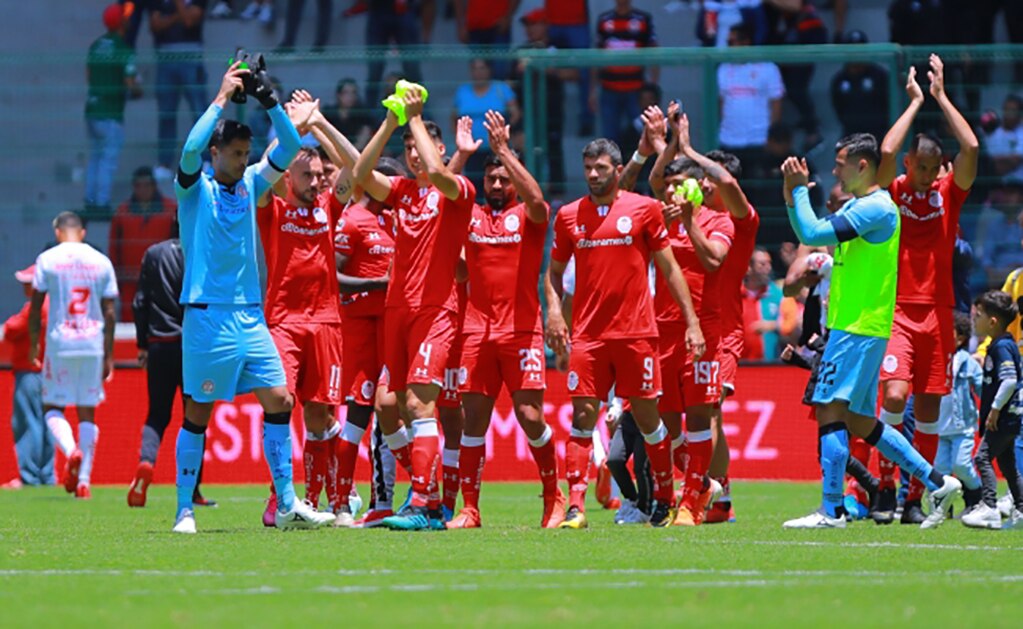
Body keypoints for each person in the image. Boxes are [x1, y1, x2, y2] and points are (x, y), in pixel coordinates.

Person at [169, 62, 335, 533]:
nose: (243, 160)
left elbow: (292, 144)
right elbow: (188, 148)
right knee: (197, 414)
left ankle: (286, 504)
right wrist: (221, 96)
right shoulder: (193, 190)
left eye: (246, 153)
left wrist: (269, 100)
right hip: (206, 317)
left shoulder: (252, 184)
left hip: (250, 317)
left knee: (281, 398)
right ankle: (184, 508)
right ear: (216, 152)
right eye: (236, 153)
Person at [779, 135, 962, 529]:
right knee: (862, 421)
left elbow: (811, 232)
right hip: (859, 327)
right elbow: (809, 230)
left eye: (840, 162)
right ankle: (937, 482)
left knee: (829, 408)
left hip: (857, 328)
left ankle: (832, 511)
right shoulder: (860, 207)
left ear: (862, 166)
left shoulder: (876, 209)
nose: (834, 170)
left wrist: (797, 191)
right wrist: (790, 195)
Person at [545, 137, 706, 529]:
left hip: (636, 334)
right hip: (588, 336)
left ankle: (665, 499)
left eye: (601, 168)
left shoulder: (645, 209)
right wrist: (553, 311)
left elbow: (669, 269)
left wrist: (693, 323)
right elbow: (553, 272)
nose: (593, 175)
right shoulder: (568, 215)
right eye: (588, 168)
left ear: (618, 171)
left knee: (652, 420)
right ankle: (576, 508)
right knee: (583, 415)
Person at [352, 86, 475, 531]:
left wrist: (417, 118)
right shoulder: (403, 192)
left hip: (434, 311)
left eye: (419, 146)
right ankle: (425, 484)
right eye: (407, 149)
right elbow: (360, 175)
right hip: (397, 310)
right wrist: (391, 121)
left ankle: (425, 504)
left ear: (438, 148)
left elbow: (442, 174)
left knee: (421, 405)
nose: (413, 155)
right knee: (389, 404)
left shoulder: (458, 190)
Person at [441, 110, 563, 529]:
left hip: (522, 330)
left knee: (530, 417)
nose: (496, 184)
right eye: (490, 179)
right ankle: (470, 509)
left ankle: (554, 498)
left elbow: (537, 201)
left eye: (502, 179)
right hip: (475, 330)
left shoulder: (527, 217)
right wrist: (461, 154)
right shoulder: (470, 214)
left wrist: (504, 152)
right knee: (473, 419)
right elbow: (440, 193)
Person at [874, 54, 979, 525]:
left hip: (938, 313)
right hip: (897, 310)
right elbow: (883, 152)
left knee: (931, 410)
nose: (927, 174)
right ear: (911, 163)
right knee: (895, 398)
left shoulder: (948, 195)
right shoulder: (893, 191)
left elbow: (972, 147)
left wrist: (941, 96)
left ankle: (915, 499)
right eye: (921, 166)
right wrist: (916, 102)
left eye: (935, 167)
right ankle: (885, 485)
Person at [256, 89, 365, 525]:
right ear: (288, 177)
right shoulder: (271, 204)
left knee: (321, 414)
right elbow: (263, 167)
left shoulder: (328, 207)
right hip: (284, 321)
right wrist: (291, 125)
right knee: (282, 403)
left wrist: (318, 122)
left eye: (321, 174)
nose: (318, 182)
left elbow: (356, 167)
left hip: (326, 322)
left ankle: (315, 501)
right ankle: (278, 499)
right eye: (309, 174)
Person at [647, 137, 734, 526]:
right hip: (659, 330)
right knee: (665, 419)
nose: (669, 190)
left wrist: (688, 222)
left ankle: (689, 503)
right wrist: (661, 143)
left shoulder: (718, 220)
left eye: (678, 183)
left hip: (703, 331)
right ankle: (696, 487)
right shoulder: (658, 222)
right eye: (667, 185)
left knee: (700, 417)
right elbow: (651, 181)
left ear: (697, 186)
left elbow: (714, 260)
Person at [333, 158, 403, 528]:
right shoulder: (353, 219)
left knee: (396, 411)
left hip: (391, 327)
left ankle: (410, 493)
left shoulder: (392, 220)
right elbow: (334, 274)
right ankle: (341, 501)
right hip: (361, 329)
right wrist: (379, 286)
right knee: (358, 416)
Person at [29, 212, 117, 500]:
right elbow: (110, 311)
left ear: (57, 232)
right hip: (92, 342)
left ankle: (70, 451)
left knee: (52, 406)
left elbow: (36, 305)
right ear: (82, 232)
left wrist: (34, 345)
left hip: (61, 341)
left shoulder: (48, 260)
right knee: (87, 411)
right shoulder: (101, 261)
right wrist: (109, 354)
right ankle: (84, 481)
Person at [127, 236, 215, 508]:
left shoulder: (153, 253)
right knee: (196, 417)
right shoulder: (203, 249)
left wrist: (142, 344)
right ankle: (193, 488)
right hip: (194, 346)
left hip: (160, 345)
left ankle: (146, 461)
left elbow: (140, 302)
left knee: (157, 415)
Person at [962, 291, 1023, 529]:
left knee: (983, 457)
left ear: (992, 321)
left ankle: (988, 507)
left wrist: (995, 409)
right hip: (1010, 419)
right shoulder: (1000, 345)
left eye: (978, 316)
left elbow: (1009, 381)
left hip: (1004, 418)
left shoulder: (1002, 348)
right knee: (1008, 466)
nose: (974, 320)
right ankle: (1020, 509)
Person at [85, 3, 141, 213]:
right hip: (110, 111)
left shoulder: (95, 45)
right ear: (121, 22)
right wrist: (137, 90)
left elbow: (89, 76)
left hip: (92, 108)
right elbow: (130, 82)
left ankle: (90, 200)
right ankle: (101, 203)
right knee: (108, 160)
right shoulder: (123, 49)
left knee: (95, 157)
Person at [2, 266, 53, 488]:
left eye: (27, 282)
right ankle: (46, 475)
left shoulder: (35, 306)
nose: (24, 286)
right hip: (49, 373)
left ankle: (30, 476)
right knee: (47, 424)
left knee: (28, 423)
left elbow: (12, 329)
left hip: (30, 371)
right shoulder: (53, 305)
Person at [717, 23, 784, 183]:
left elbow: (776, 104)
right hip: (729, 141)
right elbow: (720, 103)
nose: (730, 47)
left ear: (746, 42)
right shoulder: (723, 69)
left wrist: (771, 136)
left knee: (757, 189)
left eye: (733, 42)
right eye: (728, 43)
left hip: (758, 141)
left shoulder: (768, 68)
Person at [109, 167, 178, 321]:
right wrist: (115, 277)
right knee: (130, 321)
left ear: (154, 186)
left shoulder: (170, 210)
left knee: (161, 320)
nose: (143, 189)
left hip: (161, 279)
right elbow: (114, 247)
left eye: (147, 185)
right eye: (138, 185)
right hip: (129, 280)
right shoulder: (122, 212)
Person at [150, 0, 208, 181]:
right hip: (165, 57)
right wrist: (180, 14)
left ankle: (205, 160)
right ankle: (164, 163)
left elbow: (191, 20)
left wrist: (174, 10)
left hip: (192, 56)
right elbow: (155, 25)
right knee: (166, 112)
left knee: (200, 112)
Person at [935, 312, 984, 517]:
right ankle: (943, 507)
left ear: (961, 337)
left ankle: (976, 497)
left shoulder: (967, 362)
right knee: (940, 468)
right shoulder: (935, 358)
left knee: (962, 465)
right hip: (938, 426)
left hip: (962, 425)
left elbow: (981, 386)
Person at [591, 0, 657, 146]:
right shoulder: (604, 20)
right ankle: (612, 168)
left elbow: (654, 52)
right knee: (609, 139)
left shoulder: (643, 19)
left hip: (636, 90)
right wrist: (593, 90)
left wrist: (652, 86)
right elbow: (597, 56)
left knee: (641, 134)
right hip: (609, 89)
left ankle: (642, 168)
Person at [452, 59, 520, 185]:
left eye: (482, 68)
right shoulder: (462, 91)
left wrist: (505, 133)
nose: (479, 72)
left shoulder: (501, 89)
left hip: (496, 147)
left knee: (497, 181)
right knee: (474, 183)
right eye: (475, 69)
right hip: (471, 150)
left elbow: (515, 113)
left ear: (489, 70)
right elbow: (454, 117)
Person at [829, 30, 889, 142]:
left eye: (860, 49)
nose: (856, 54)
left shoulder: (879, 76)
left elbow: (887, 104)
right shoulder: (840, 79)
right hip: (850, 136)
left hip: (877, 136)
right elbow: (838, 107)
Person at [364, 1, 429, 104]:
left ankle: (421, 113)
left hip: (405, 9)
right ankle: (369, 115)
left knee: (412, 68)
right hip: (378, 10)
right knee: (374, 68)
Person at [453, 0, 519, 80]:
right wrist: (460, 26)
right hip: (474, 28)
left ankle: (499, 92)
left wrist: (508, 17)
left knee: (499, 73)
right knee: (478, 75)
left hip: (498, 28)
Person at [742, 248, 781, 361]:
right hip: (740, 365)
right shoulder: (734, 295)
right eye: (762, 264)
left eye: (769, 263)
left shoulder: (777, 294)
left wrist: (774, 325)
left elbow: (794, 323)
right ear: (748, 268)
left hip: (769, 366)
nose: (768, 268)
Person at [324, 79, 374, 150]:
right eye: (346, 93)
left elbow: (363, 139)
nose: (350, 96)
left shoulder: (363, 116)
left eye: (353, 92)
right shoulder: (329, 114)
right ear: (339, 95)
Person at [987, 94, 1023, 185]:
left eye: (1012, 111)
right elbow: (994, 165)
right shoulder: (994, 134)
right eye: (1007, 109)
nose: (1008, 114)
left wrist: (1002, 158)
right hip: (998, 185)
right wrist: (1011, 158)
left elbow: (1016, 161)